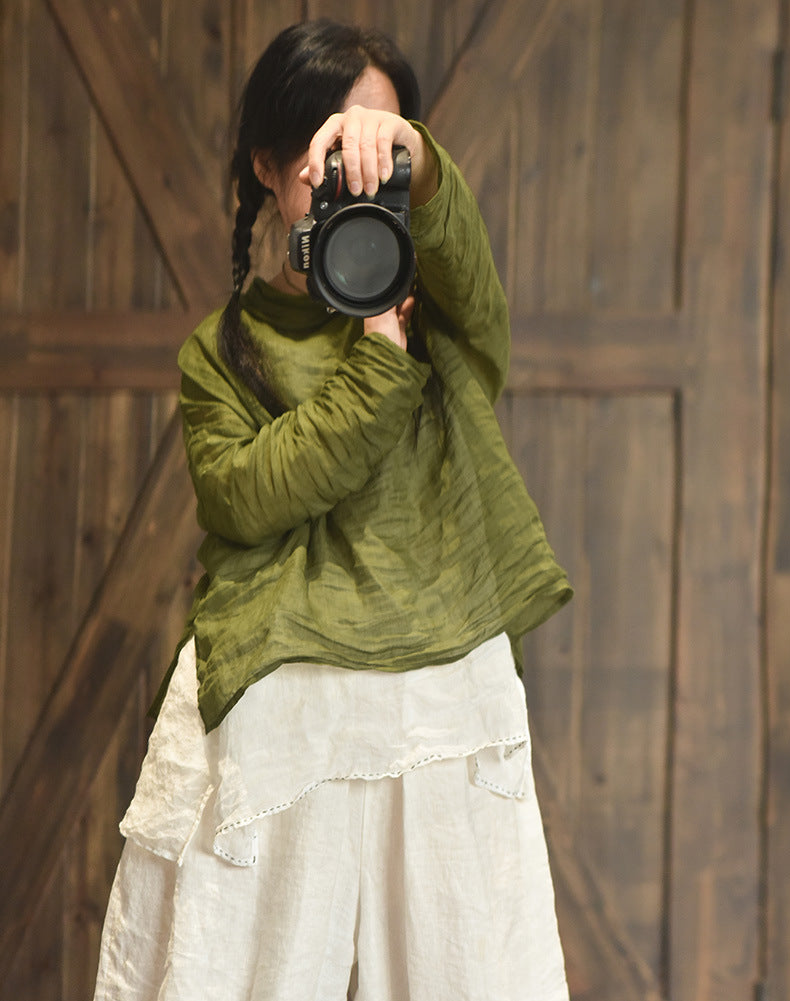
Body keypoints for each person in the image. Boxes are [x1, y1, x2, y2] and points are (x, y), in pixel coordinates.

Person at [93, 19, 573, 1001]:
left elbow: (477, 289)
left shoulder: (443, 306)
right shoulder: (220, 350)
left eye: (376, 149)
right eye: (326, 148)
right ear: (270, 167)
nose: (352, 173)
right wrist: (378, 361)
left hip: (442, 688)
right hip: (281, 700)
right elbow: (248, 497)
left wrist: (411, 162)